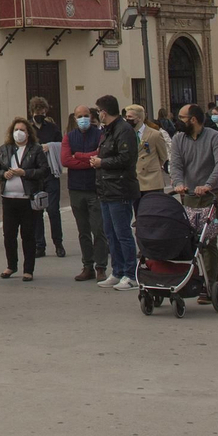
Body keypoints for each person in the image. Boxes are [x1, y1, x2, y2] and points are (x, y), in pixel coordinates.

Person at [169, 104, 218, 304]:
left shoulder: (215, 138)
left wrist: (208, 185)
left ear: (193, 119)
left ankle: (210, 282)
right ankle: (200, 274)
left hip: (211, 195)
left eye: (181, 117)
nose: (178, 120)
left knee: (207, 240)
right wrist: (178, 183)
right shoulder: (178, 139)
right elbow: (176, 164)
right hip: (189, 195)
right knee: (192, 240)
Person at [92, 94, 140, 290]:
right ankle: (117, 271)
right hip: (106, 188)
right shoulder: (108, 131)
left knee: (123, 233)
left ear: (104, 112)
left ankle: (131, 274)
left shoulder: (123, 130)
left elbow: (126, 158)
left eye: (98, 111)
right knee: (110, 232)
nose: (97, 115)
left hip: (120, 189)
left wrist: (102, 162)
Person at [0, 116, 49, 281]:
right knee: (9, 234)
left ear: (28, 133)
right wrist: (3, 174)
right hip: (9, 199)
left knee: (28, 234)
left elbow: (44, 170)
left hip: (28, 199)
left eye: (22, 130)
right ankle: (11, 265)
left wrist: (26, 173)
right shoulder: (5, 149)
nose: (19, 133)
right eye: (16, 130)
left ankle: (28, 269)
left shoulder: (35, 149)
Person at [60, 104, 106, 281]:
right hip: (76, 188)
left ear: (91, 116)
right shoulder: (69, 137)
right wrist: (89, 159)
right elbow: (65, 160)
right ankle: (88, 266)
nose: (83, 119)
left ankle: (101, 266)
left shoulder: (100, 135)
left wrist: (77, 155)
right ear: (75, 118)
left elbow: (101, 154)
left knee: (98, 229)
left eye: (86, 115)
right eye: (79, 116)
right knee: (83, 231)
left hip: (95, 188)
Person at [29, 99, 65, 258]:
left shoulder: (52, 128)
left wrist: (50, 146)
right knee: (36, 211)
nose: (41, 115)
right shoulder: (28, 129)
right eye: (38, 113)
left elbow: (62, 145)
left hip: (50, 173)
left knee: (53, 209)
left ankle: (58, 243)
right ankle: (39, 245)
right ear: (32, 112)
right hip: (35, 175)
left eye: (43, 113)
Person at [128, 104, 170, 199]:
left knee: (154, 210)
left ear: (139, 118)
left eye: (130, 116)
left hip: (152, 181)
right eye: (126, 116)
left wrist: (153, 166)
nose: (127, 119)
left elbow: (163, 156)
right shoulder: (127, 135)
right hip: (136, 181)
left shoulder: (155, 134)